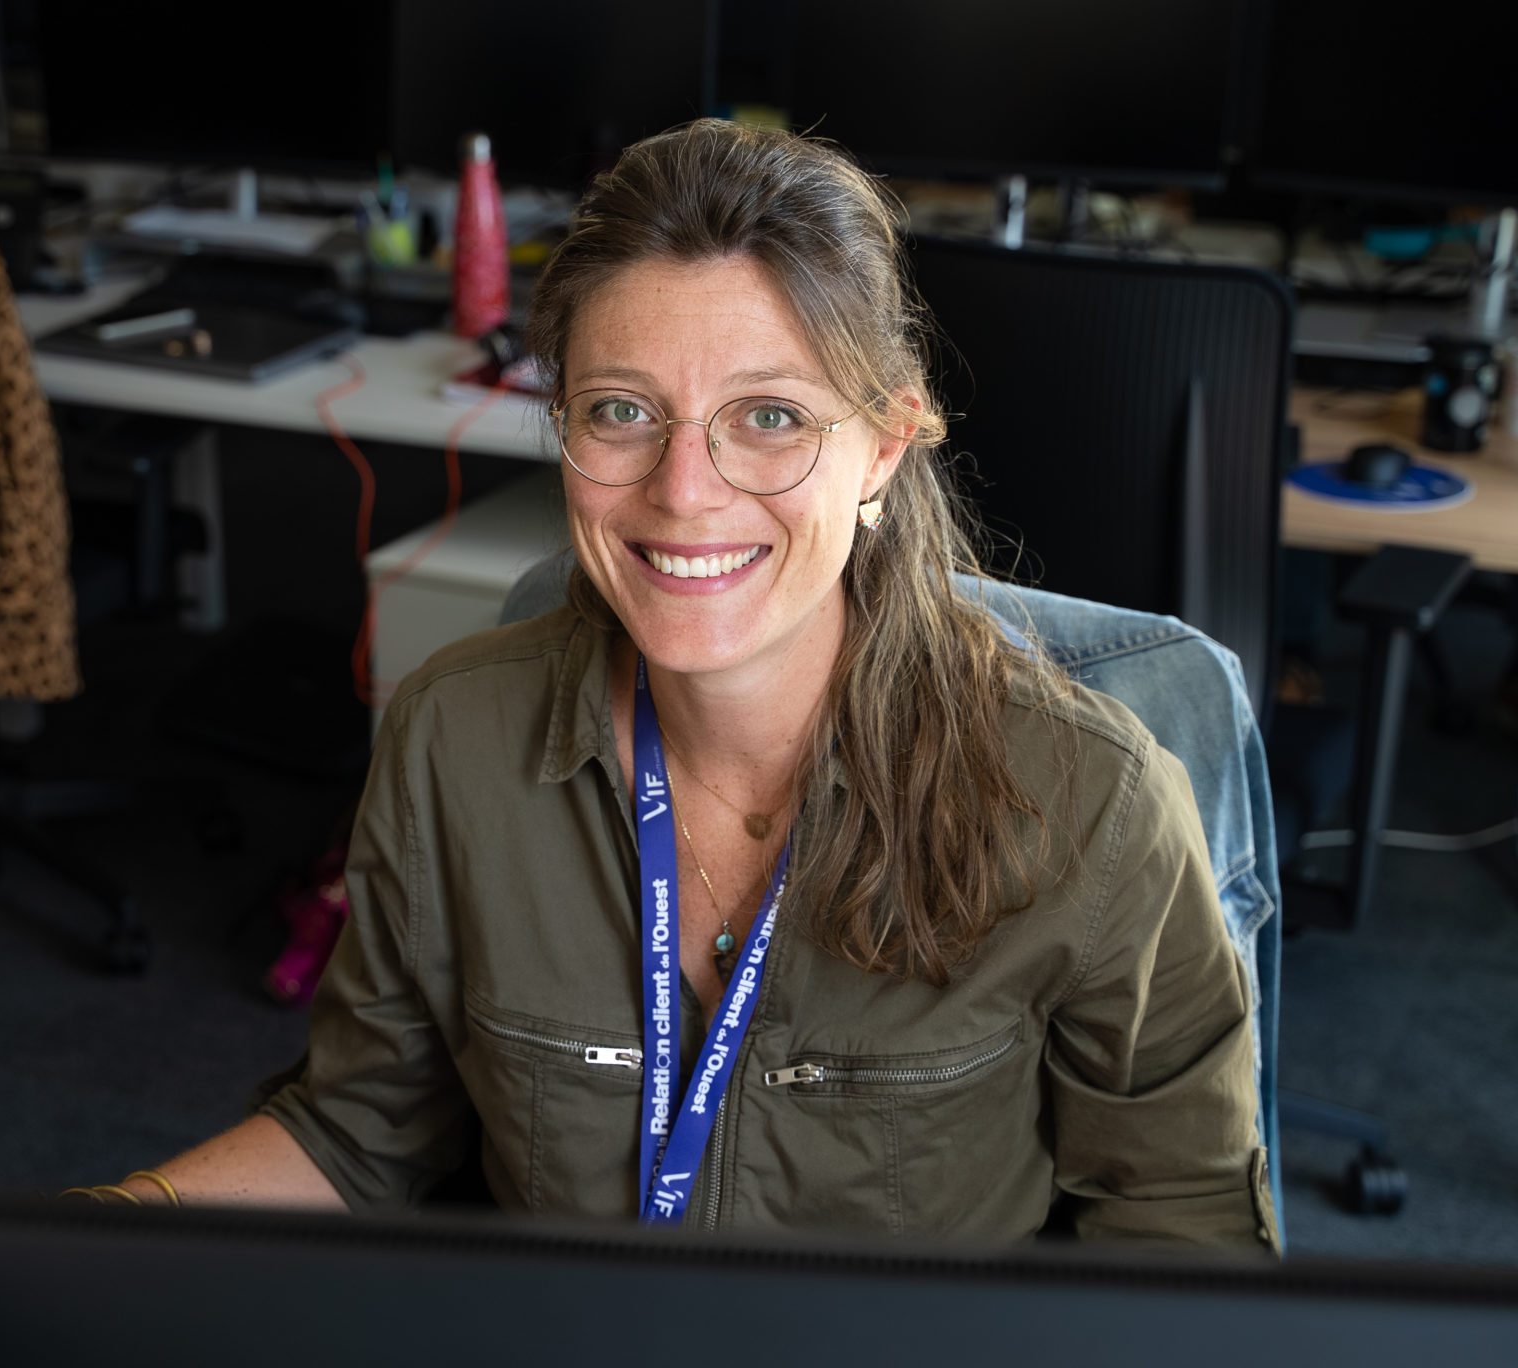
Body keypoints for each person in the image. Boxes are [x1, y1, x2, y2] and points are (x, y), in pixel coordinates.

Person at [71, 120, 1279, 1250]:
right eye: (620, 411)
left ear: (883, 446)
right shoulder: (453, 737)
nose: (683, 490)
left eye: (766, 415)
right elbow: (359, 1127)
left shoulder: (1087, 798)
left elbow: (1184, 1235)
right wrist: (99, 1233)